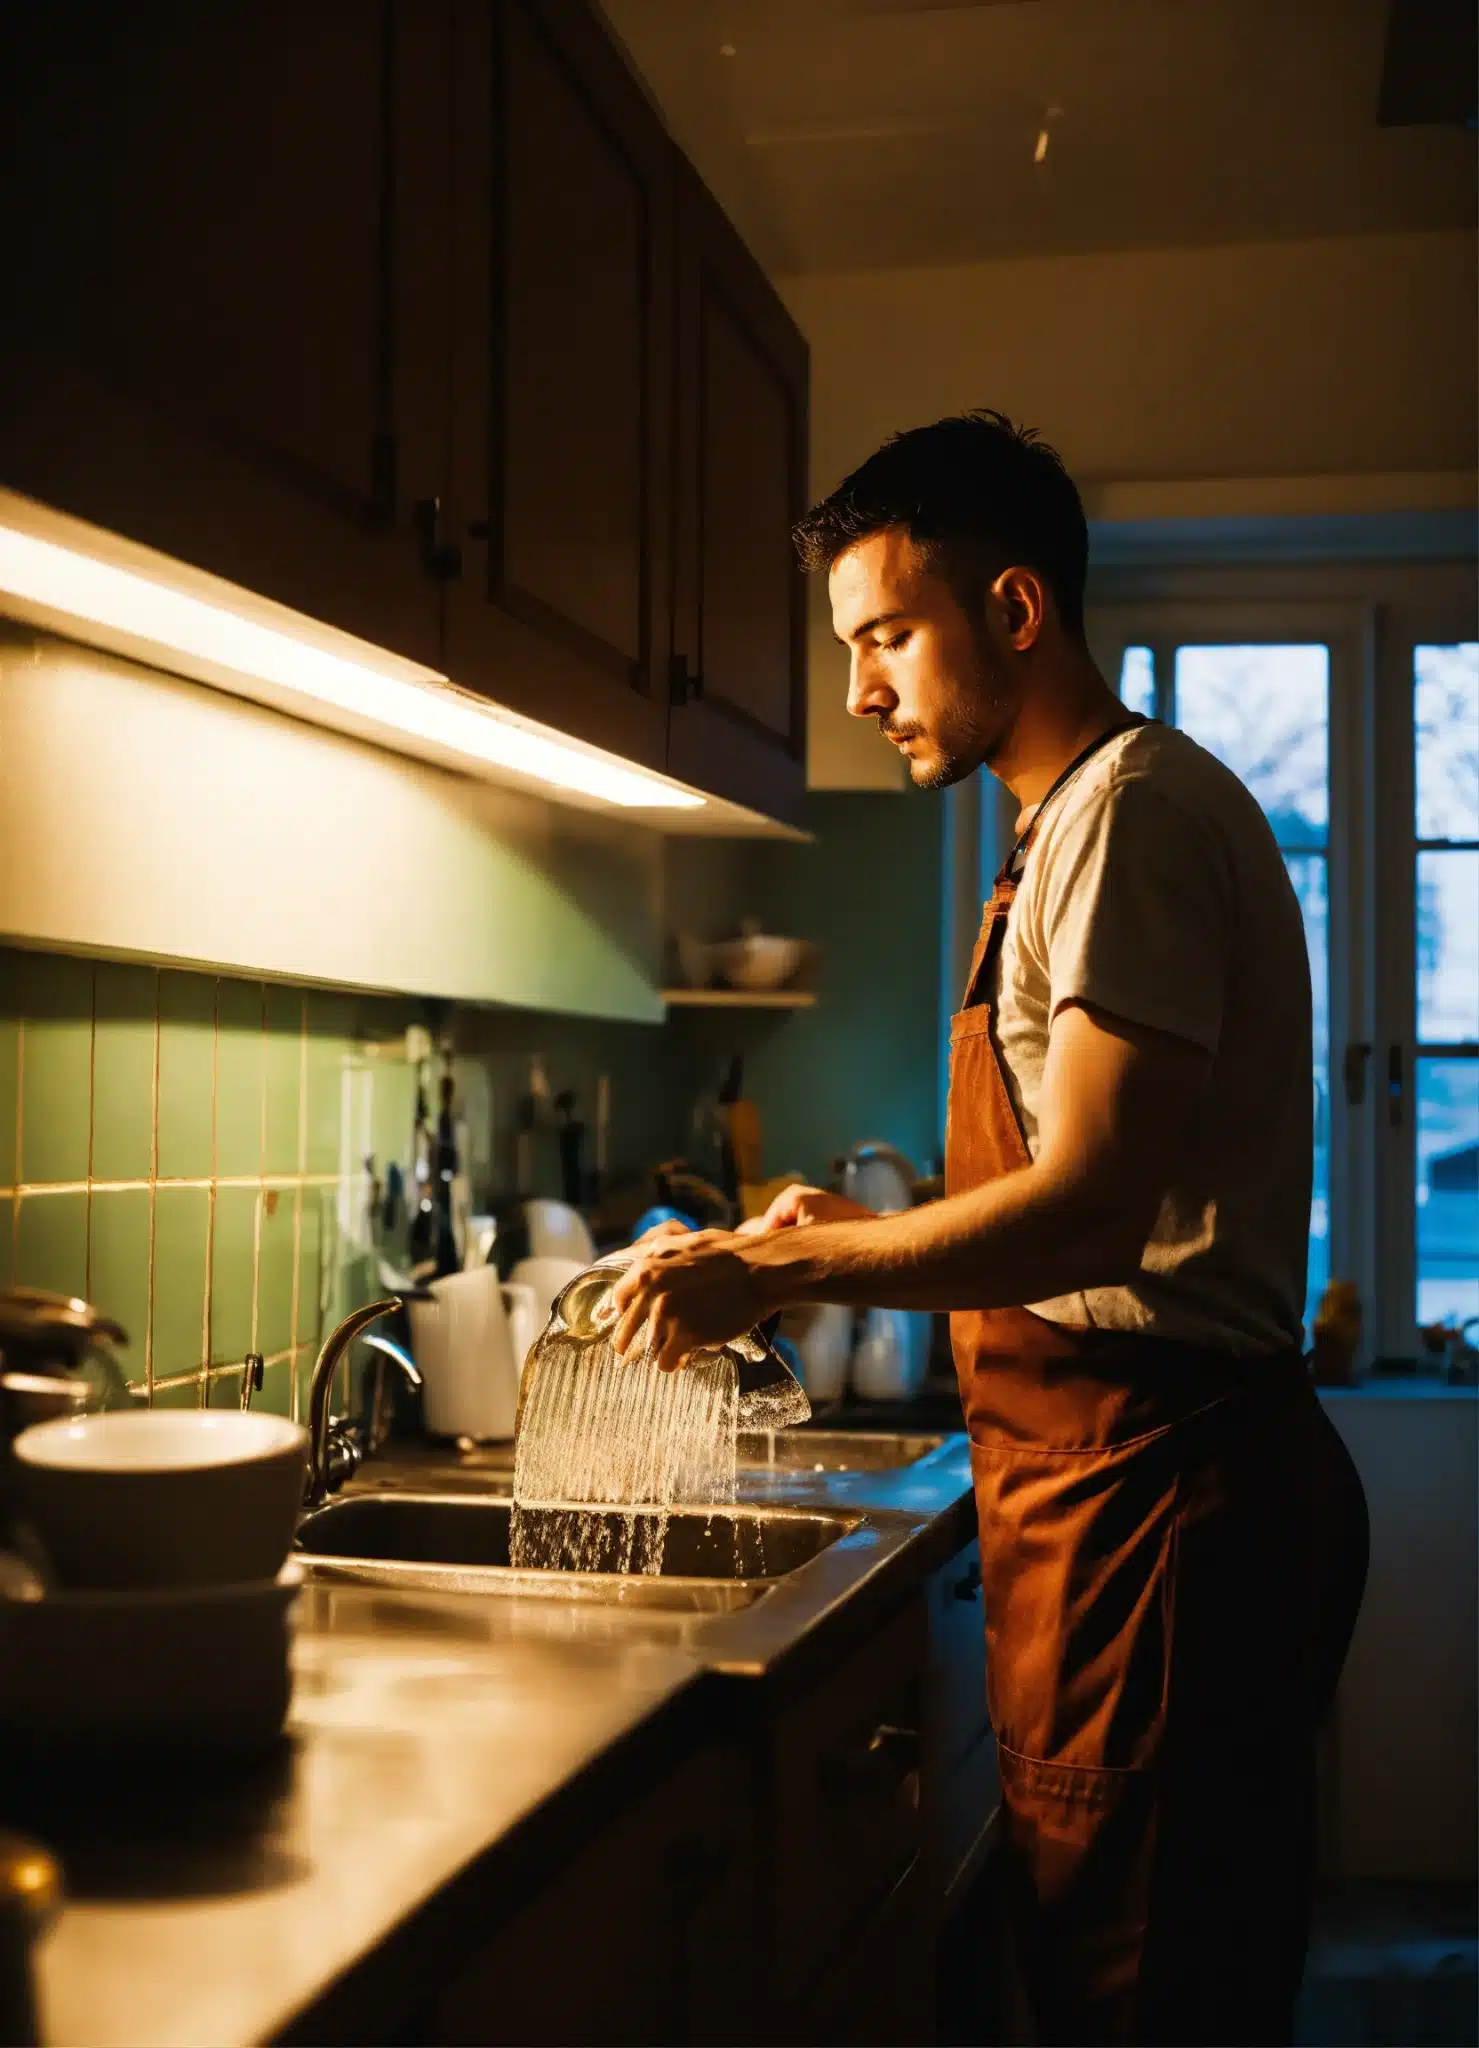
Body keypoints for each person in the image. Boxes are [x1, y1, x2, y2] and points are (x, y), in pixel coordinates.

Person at [610, 410, 1369, 2047]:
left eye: (885, 634)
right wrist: (880, 1219)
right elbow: (1095, 1185)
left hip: (1160, 1505)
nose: (860, 689)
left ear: (1013, 611)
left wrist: (781, 1265)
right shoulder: (1065, 826)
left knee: (1145, 1997)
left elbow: (1093, 1208)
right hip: (1112, 1496)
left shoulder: (1128, 814)